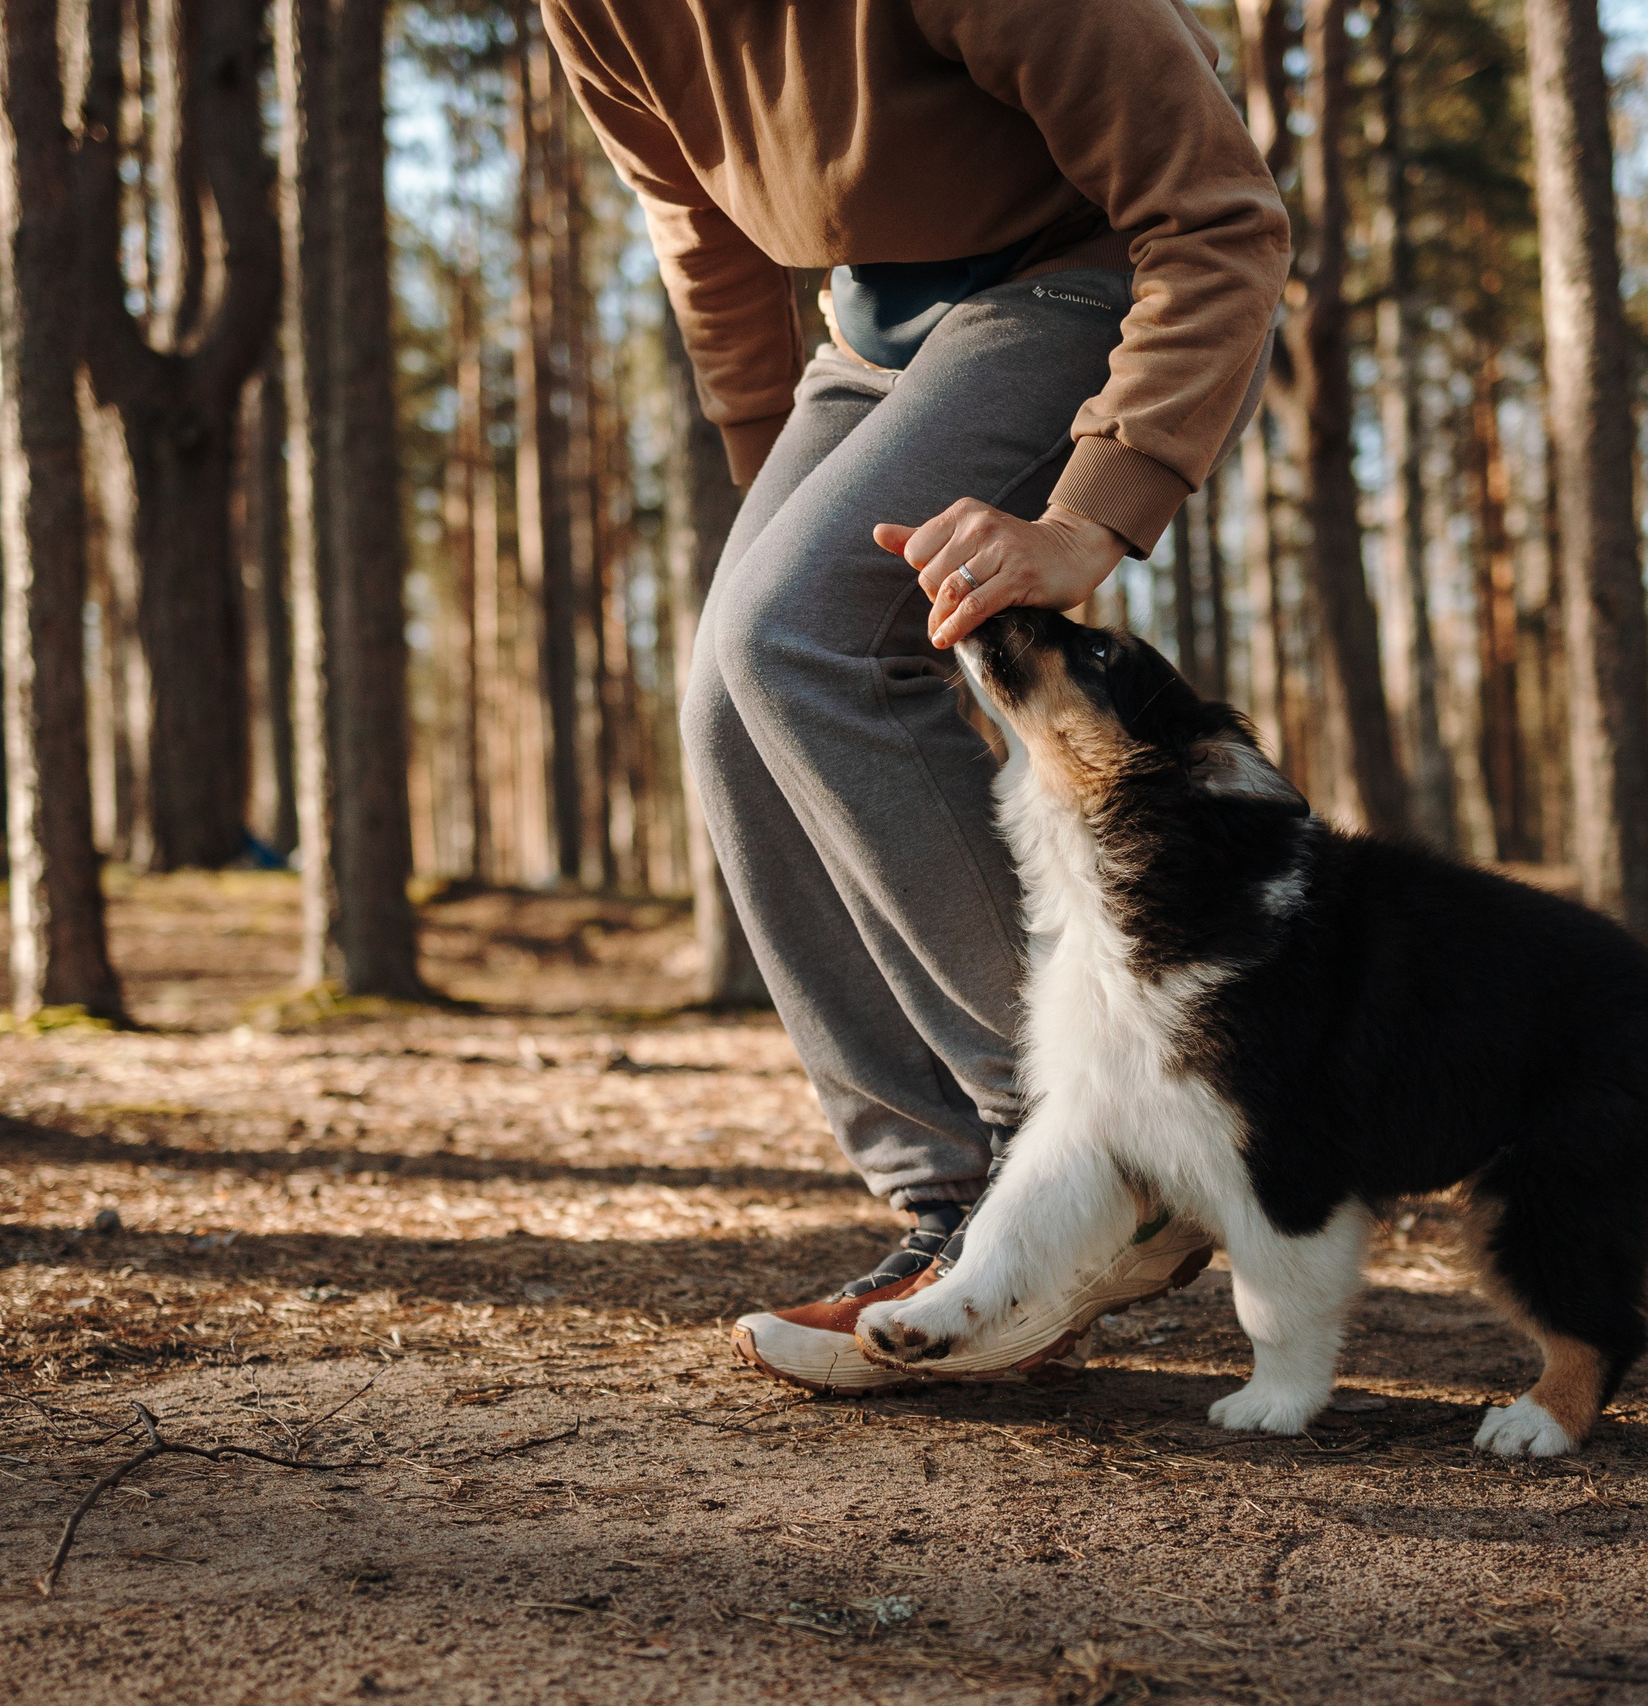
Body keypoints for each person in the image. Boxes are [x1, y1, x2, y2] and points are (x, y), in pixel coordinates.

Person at [539, 0, 1290, 1391]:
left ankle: (1090, 1159)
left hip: (1084, 274)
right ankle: (953, 1200)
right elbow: (696, 220)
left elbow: (1219, 213)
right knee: (734, 685)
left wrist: (1093, 512)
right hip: (871, 332)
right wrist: (788, 492)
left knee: (799, 637)